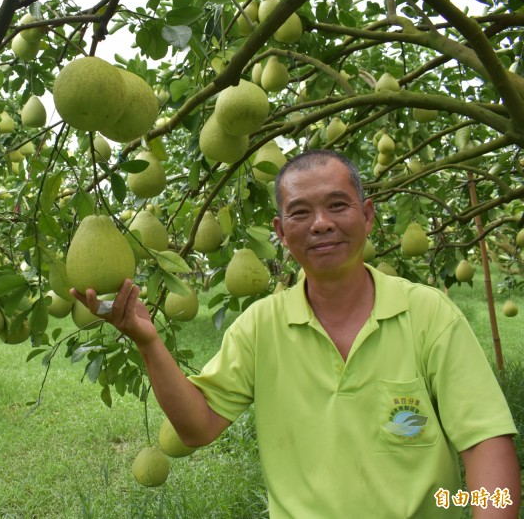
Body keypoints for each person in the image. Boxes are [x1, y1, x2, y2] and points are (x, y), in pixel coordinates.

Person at [71, 149, 521, 518]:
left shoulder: (428, 314)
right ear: (281, 233)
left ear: (367, 216)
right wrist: (148, 341)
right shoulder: (260, 327)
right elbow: (196, 428)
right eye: (301, 213)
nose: (321, 223)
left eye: (337, 206)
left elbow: (485, 444)